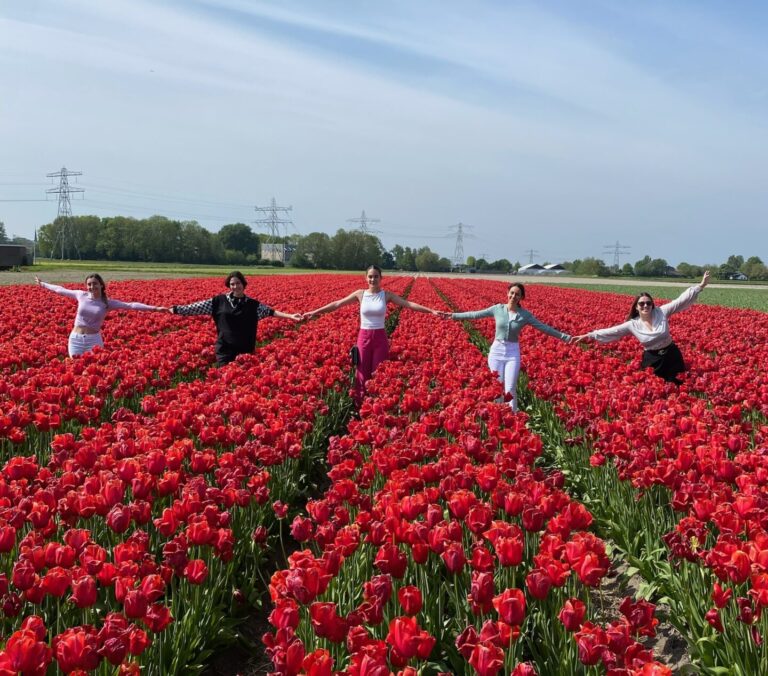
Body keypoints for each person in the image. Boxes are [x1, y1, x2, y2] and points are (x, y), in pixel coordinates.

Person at [302, 265, 441, 404]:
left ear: (381, 278)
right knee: (362, 372)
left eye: (376, 276)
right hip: (364, 336)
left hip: (380, 338)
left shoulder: (386, 295)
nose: (373, 279)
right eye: (370, 276)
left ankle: (377, 407)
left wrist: (431, 311)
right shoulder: (360, 294)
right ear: (365, 278)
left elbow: (408, 304)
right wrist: (314, 312)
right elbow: (337, 304)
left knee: (378, 373)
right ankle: (360, 405)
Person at [441, 283, 572, 411]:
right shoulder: (497, 309)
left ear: (521, 298)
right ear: (507, 293)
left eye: (517, 294)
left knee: (510, 388)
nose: (514, 296)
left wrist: (566, 337)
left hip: (512, 353)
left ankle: (513, 417)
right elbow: (475, 314)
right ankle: (496, 415)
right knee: (496, 387)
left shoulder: (525, 315)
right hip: (496, 351)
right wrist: (453, 316)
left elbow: (544, 328)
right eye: (512, 293)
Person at [574, 271, 710, 384]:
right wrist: (589, 335)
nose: (646, 306)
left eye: (648, 303)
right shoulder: (632, 324)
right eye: (642, 304)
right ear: (636, 307)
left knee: (678, 386)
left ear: (652, 305)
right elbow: (612, 331)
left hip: (671, 355)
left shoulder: (661, 312)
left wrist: (701, 285)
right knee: (653, 389)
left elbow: (681, 301)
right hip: (652, 359)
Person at [170, 271, 301, 365]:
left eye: (238, 283)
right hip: (225, 349)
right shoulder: (218, 301)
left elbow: (271, 312)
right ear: (229, 285)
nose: (235, 286)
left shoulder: (253, 304)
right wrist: (176, 309)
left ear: (243, 284)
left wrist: (290, 316)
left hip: (245, 350)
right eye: (232, 284)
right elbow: (196, 308)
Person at [35, 273, 168, 357]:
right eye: (89, 284)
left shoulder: (106, 303)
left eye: (95, 284)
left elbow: (130, 305)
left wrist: (155, 308)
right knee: (75, 370)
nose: (92, 287)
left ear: (101, 285)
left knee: (93, 370)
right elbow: (60, 290)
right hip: (75, 339)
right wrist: (42, 284)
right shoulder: (81, 295)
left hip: (93, 340)